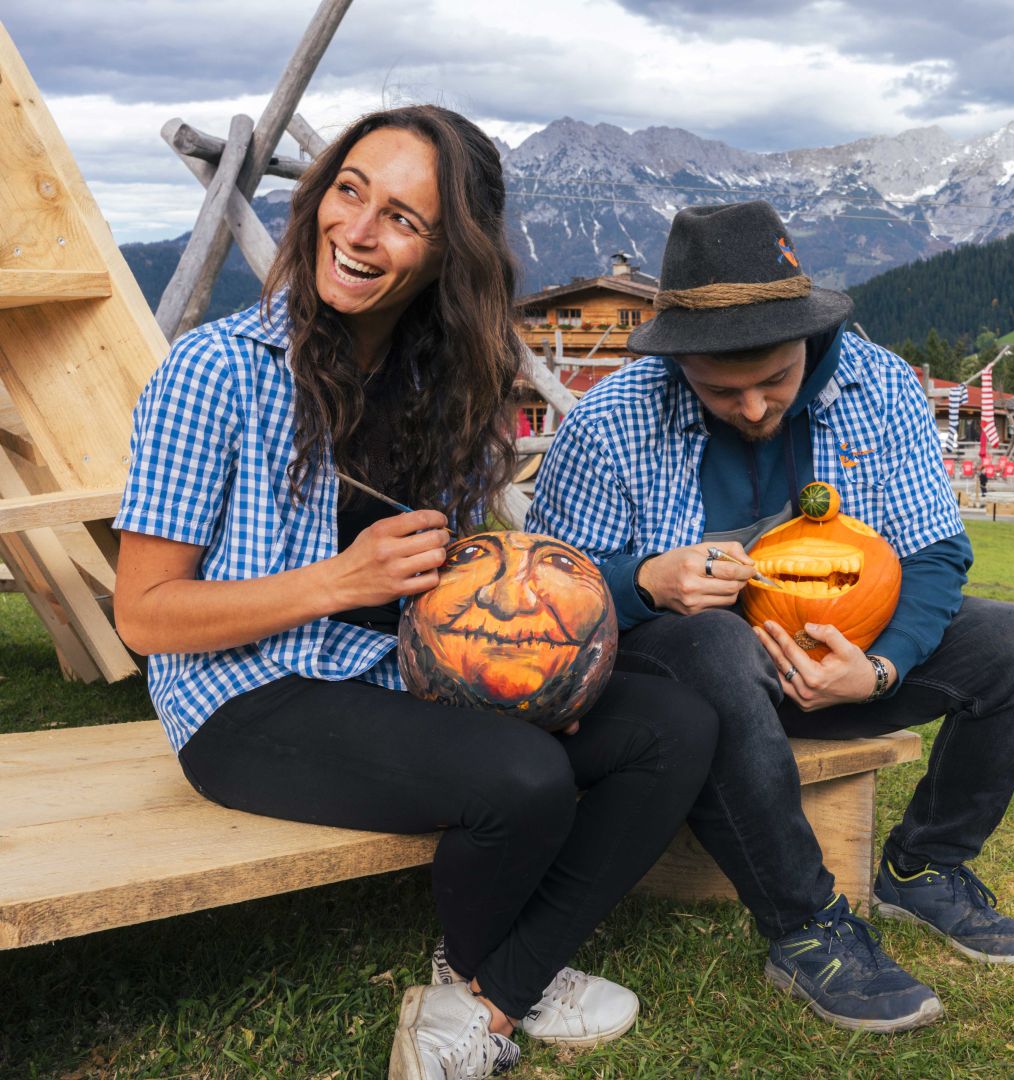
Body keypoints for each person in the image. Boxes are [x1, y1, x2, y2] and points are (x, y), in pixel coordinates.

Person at [112, 106, 718, 1080]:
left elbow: (456, 587)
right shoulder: (214, 372)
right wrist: (338, 581)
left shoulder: (448, 387)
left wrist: (529, 672)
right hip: (242, 700)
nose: (356, 230)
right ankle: (490, 988)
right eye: (347, 192)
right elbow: (144, 614)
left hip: (397, 672)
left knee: (671, 726)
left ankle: (485, 987)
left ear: (449, 255)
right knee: (521, 780)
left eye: (401, 217)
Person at [530, 201, 1014, 1034]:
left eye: (773, 382)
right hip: (687, 687)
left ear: (807, 342)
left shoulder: (880, 385)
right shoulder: (609, 421)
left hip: (840, 664)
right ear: (679, 364)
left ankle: (924, 869)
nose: (751, 409)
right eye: (721, 391)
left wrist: (881, 666)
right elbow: (547, 591)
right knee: (714, 641)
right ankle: (806, 928)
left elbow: (932, 554)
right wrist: (644, 581)